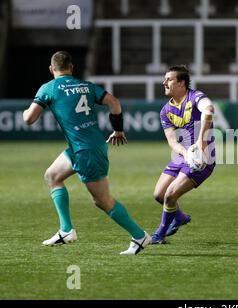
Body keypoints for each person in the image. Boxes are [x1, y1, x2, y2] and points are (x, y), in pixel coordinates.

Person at [23, 51, 150, 255]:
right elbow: (114, 103)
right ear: (71, 68)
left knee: (102, 201)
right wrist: (118, 129)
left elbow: (29, 119)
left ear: (51, 69)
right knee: (52, 176)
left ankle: (139, 236)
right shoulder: (87, 86)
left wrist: (25, 112)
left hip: (85, 151)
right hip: (84, 147)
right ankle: (66, 230)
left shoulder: (48, 88)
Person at [151, 65, 215, 244]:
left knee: (170, 195)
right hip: (183, 156)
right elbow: (172, 141)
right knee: (159, 194)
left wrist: (201, 143)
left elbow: (208, 110)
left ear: (181, 83)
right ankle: (179, 218)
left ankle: (160, 234)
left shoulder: (195, 97)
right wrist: (185, 153)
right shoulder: (165, 110)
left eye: (169, 79)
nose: (164, 82)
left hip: (202, 159)